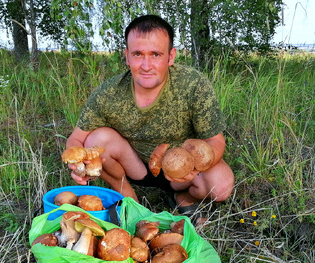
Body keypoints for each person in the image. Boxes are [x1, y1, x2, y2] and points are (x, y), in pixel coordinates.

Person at [65, 15, 234, 221]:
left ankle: (183, 197)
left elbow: (215, 141)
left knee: (221, 185)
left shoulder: (193, 85)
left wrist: (195, 168)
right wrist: (78, 164)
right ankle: (130, 201)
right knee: (95, 140)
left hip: (180, 169)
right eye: (138, 54)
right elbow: (76, 139)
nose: (146, 65)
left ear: (171, 57)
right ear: (127, 56)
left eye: (155, 54)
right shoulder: (108, 93)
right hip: (135, 166)